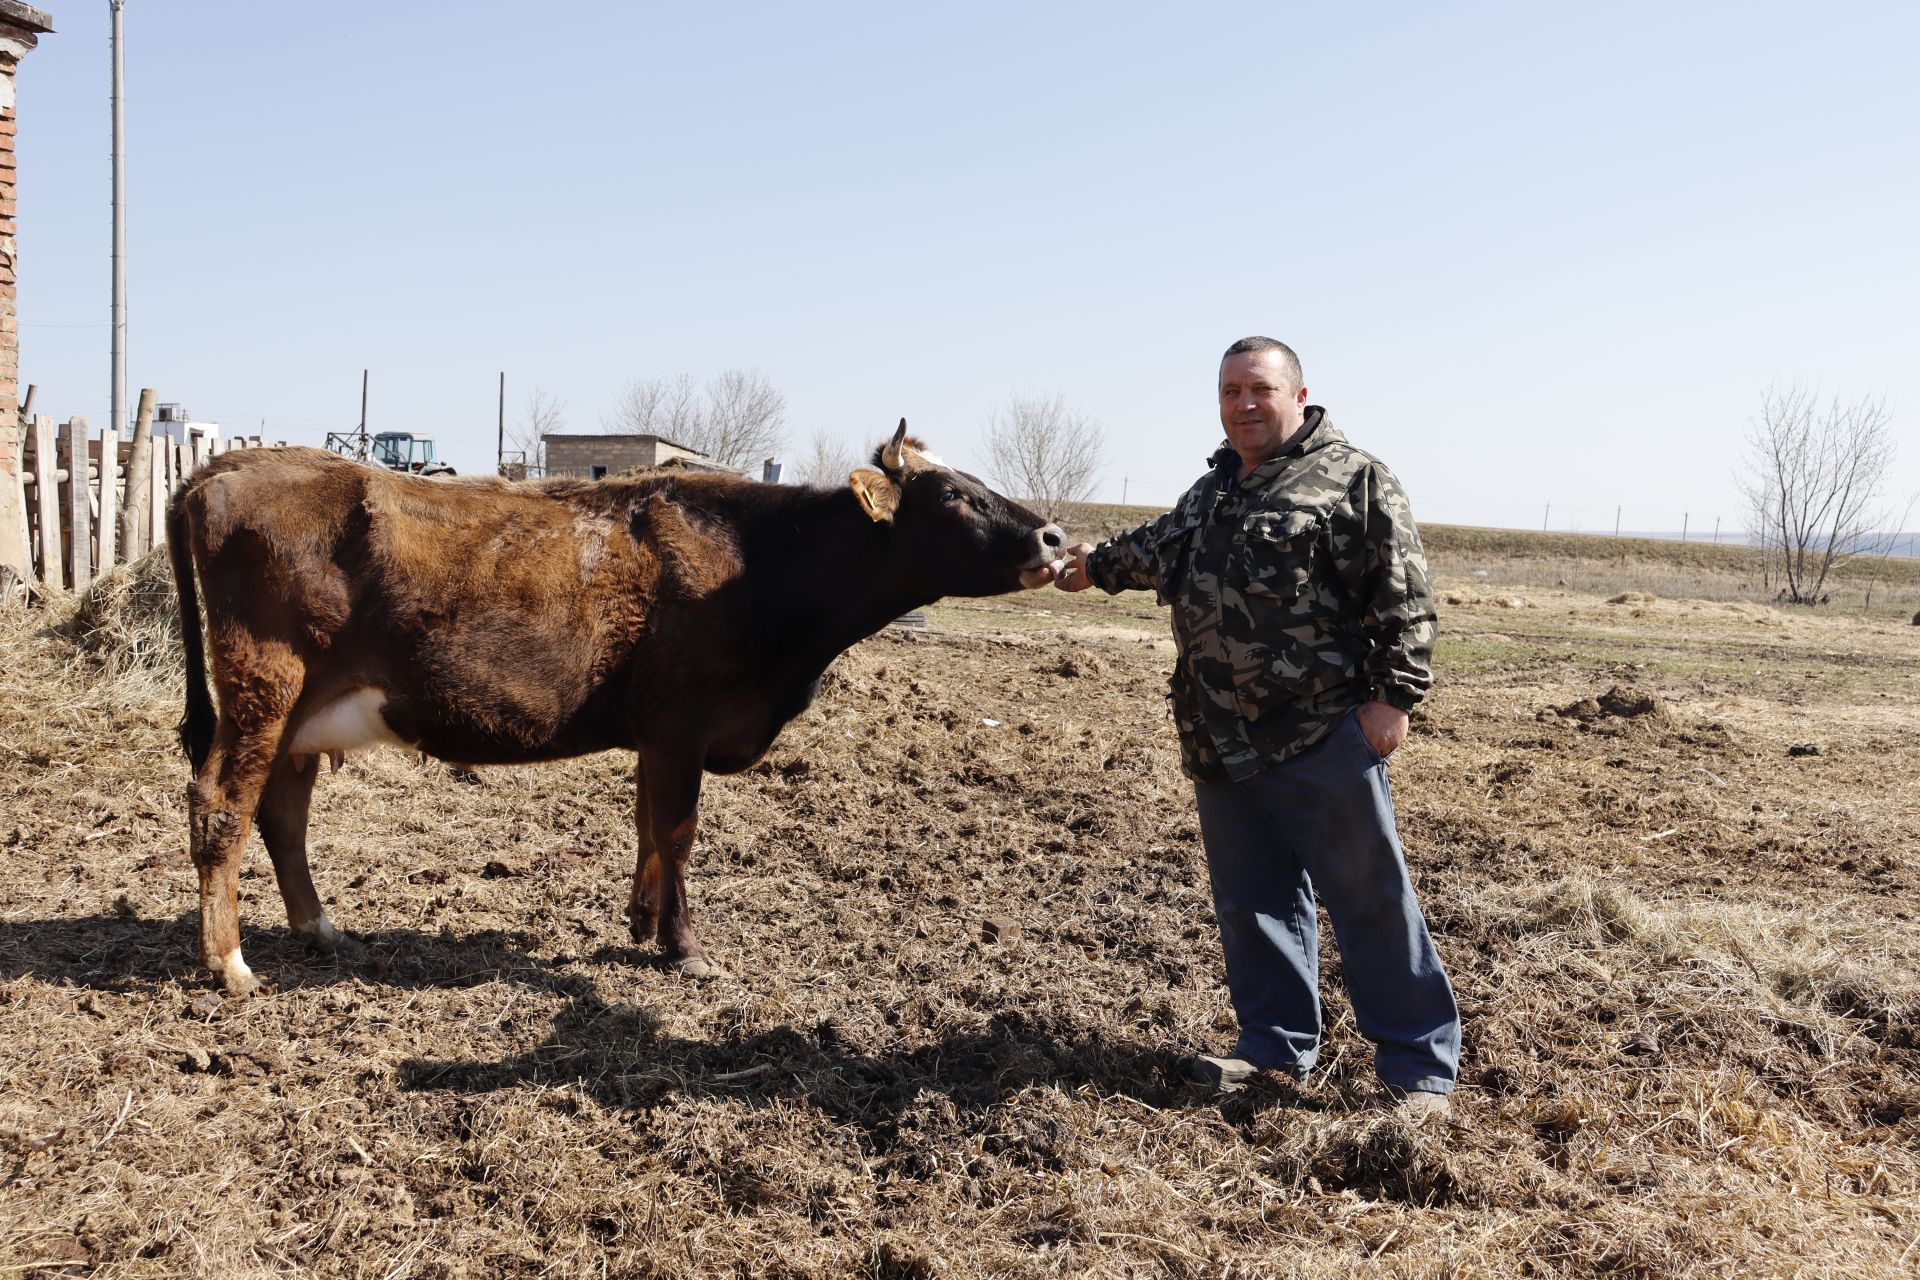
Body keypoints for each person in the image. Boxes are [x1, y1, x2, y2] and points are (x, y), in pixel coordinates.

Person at [1053, 336, 1459, 1114]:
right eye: (1231, 391)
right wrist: (1088, 566)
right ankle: (1273, 1052)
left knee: (1368, 898)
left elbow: (1403, 599)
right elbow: (1156, 551)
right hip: (1217, 737)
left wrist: (1392, 700)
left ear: (1298, 397)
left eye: (1260, 389)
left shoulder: (1352, 479)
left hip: (1318, 732)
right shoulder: (1214, 490)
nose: (1244, 404)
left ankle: (1418, 1070)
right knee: (1255, 902)